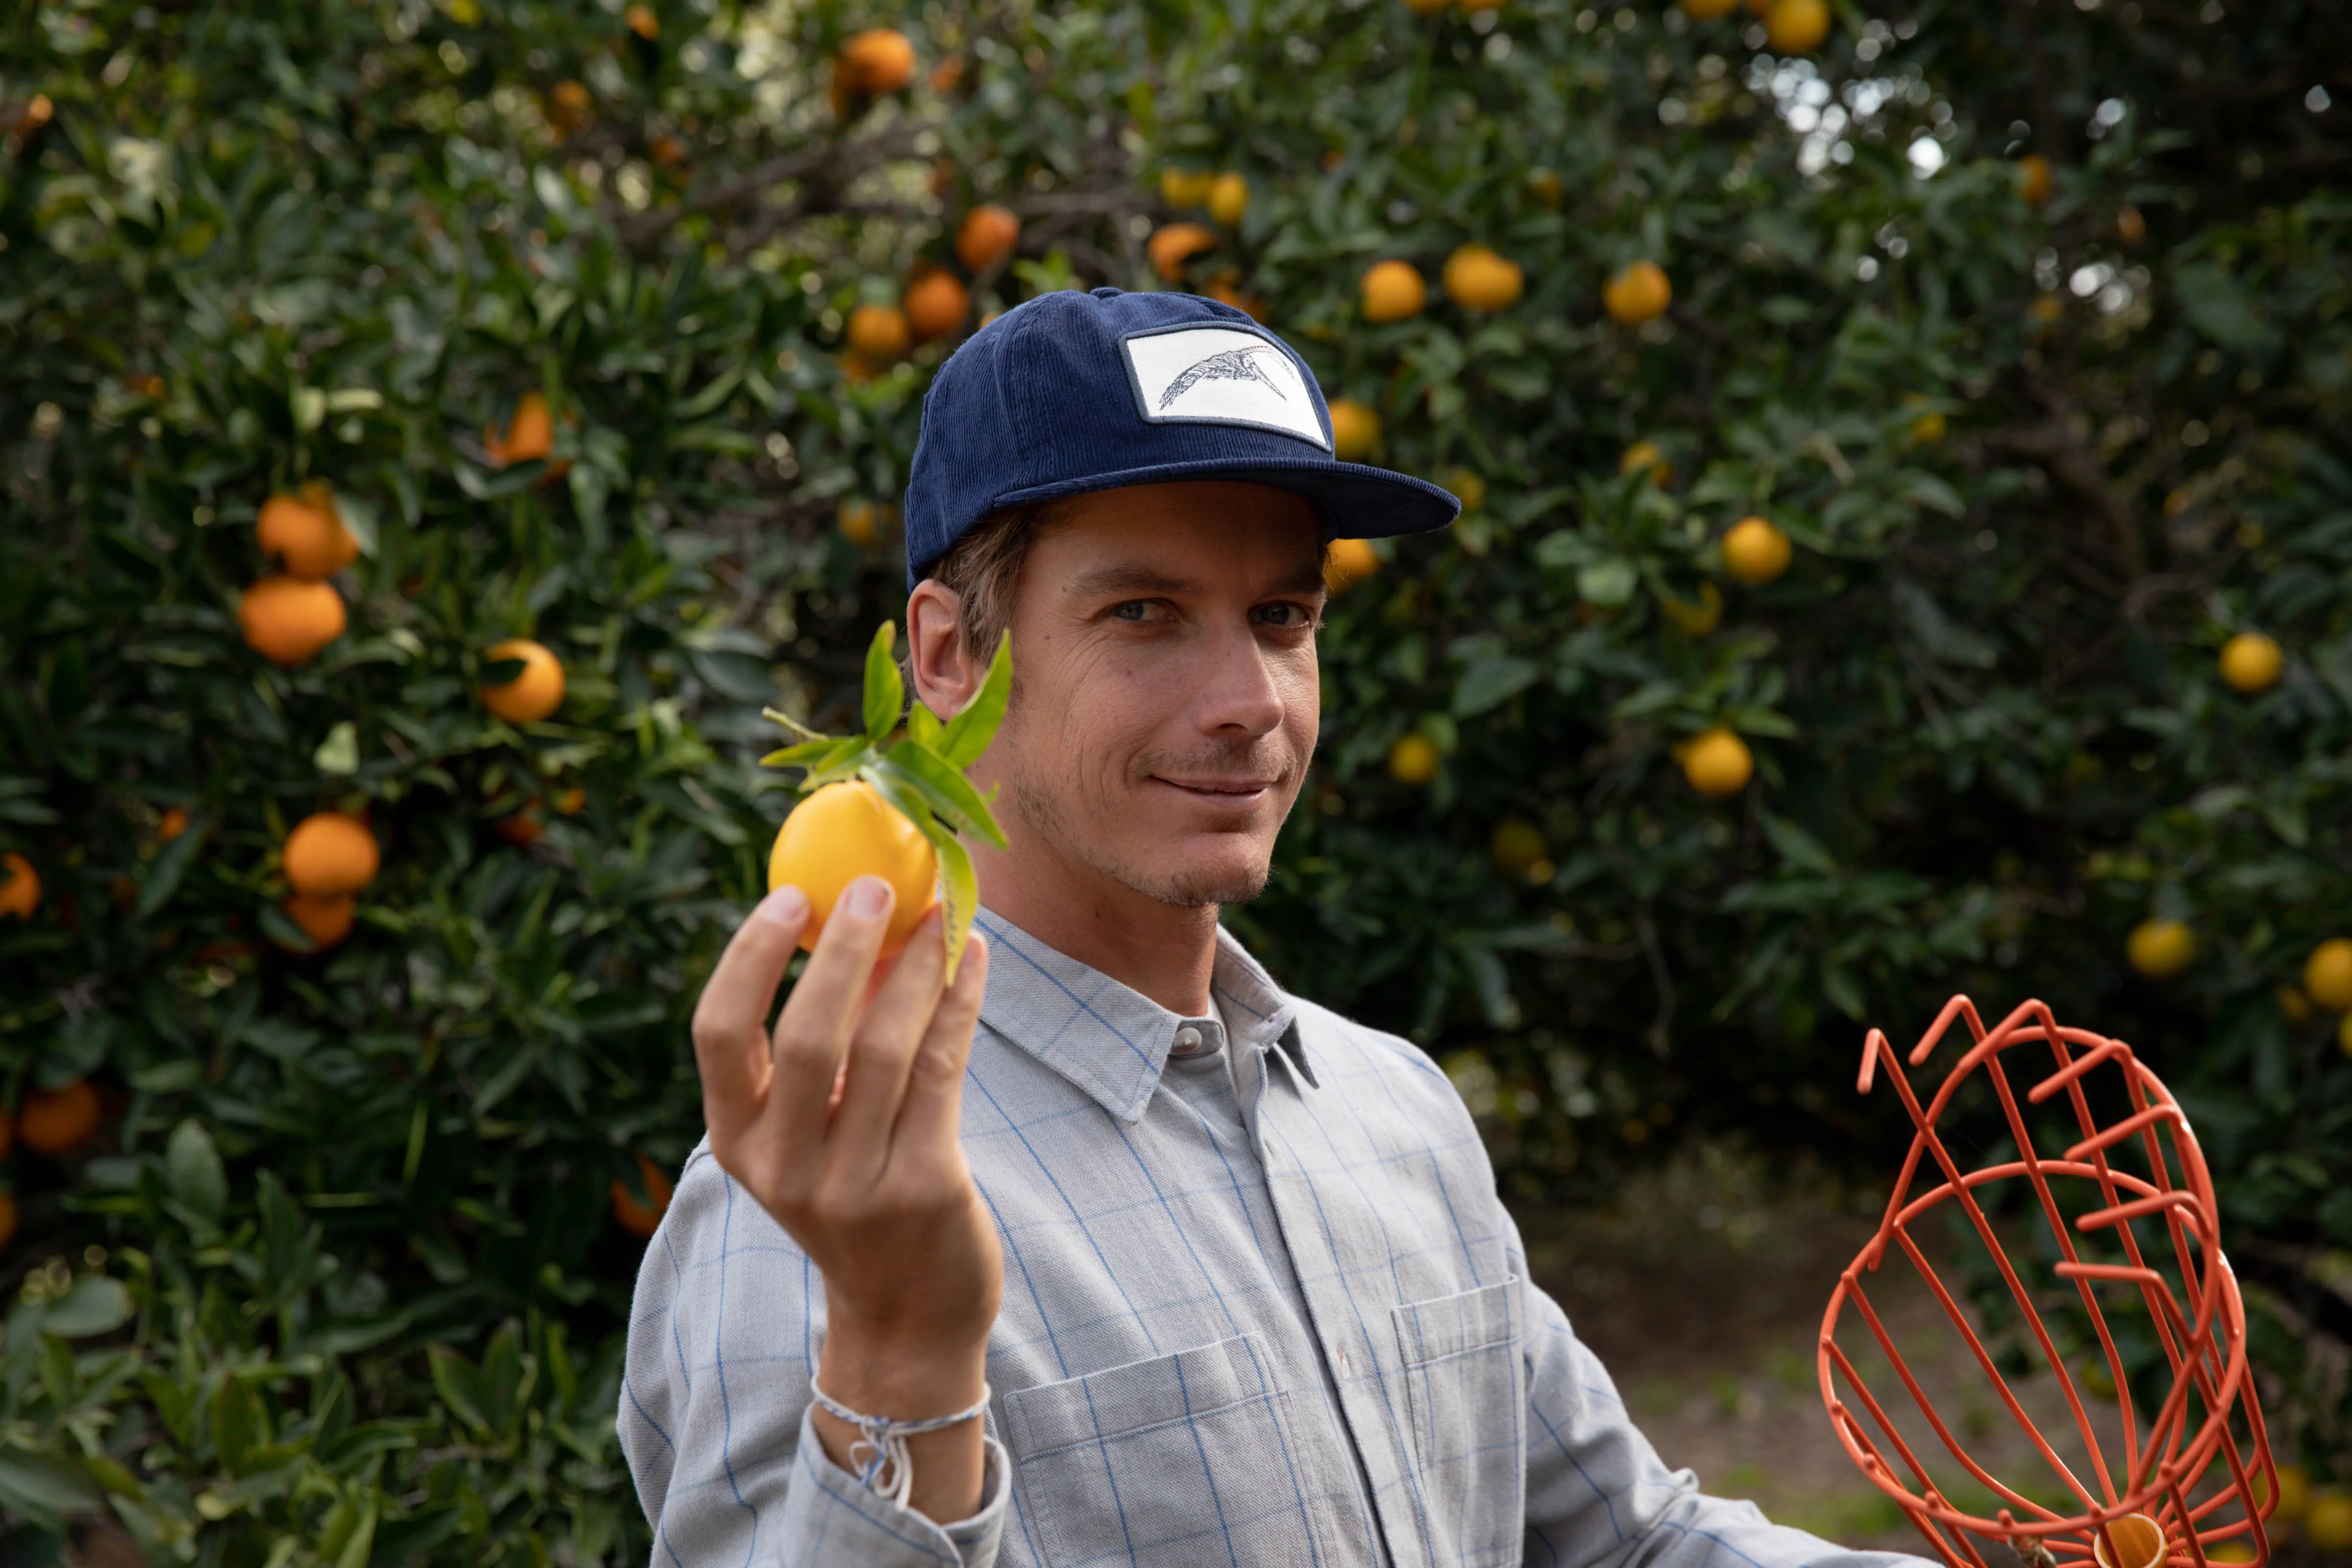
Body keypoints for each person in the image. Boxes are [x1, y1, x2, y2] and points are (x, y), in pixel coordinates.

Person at [620, 288, 1924, 1568]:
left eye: (1282, 617)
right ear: (949, 654)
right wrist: (904, 1363)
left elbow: (1625, 1542)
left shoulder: (1392, 1112)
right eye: (1145, 614)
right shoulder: (813, 1205)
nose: (1250, 700)